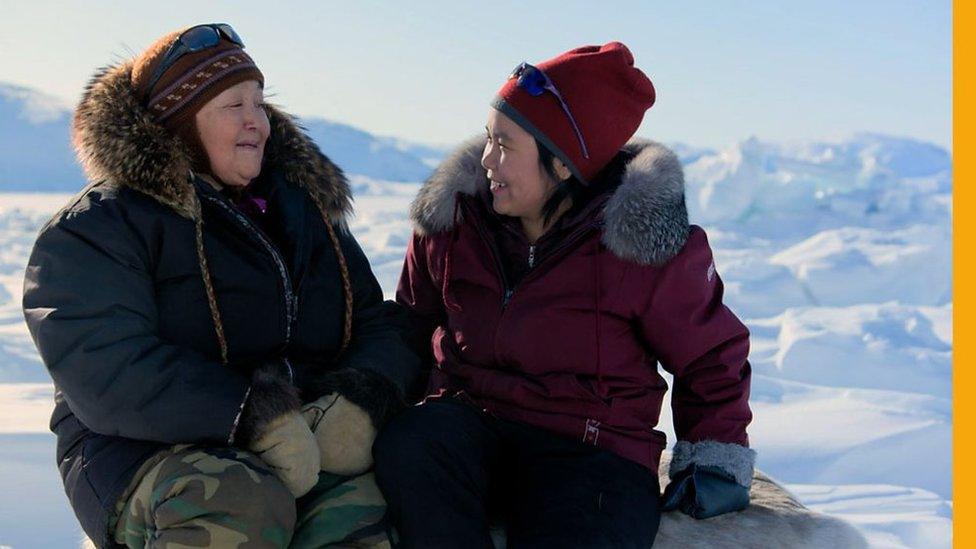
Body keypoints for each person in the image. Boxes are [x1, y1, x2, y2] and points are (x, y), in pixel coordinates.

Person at [22, 23, 420, 548]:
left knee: (379, 504)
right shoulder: (100, 226)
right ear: (180, 123)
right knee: (237, 501)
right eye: (234, 106)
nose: (258, 121)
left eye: (260, 102)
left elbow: (374, 319)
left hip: (303, 443)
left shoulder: (301, 213)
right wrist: (252, 416)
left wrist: (360, 398)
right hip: (141, 453)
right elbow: (106, 366)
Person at [374, 42, 755, 548]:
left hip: (591, 451)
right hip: (469, 427)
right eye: (489, 137)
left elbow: (709, 355)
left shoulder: (638, 246)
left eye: (506, 145)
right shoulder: (454, 224)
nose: (486, 158)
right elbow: (410, 323)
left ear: (563, 165)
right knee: (411, 445)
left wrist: (714, 460)